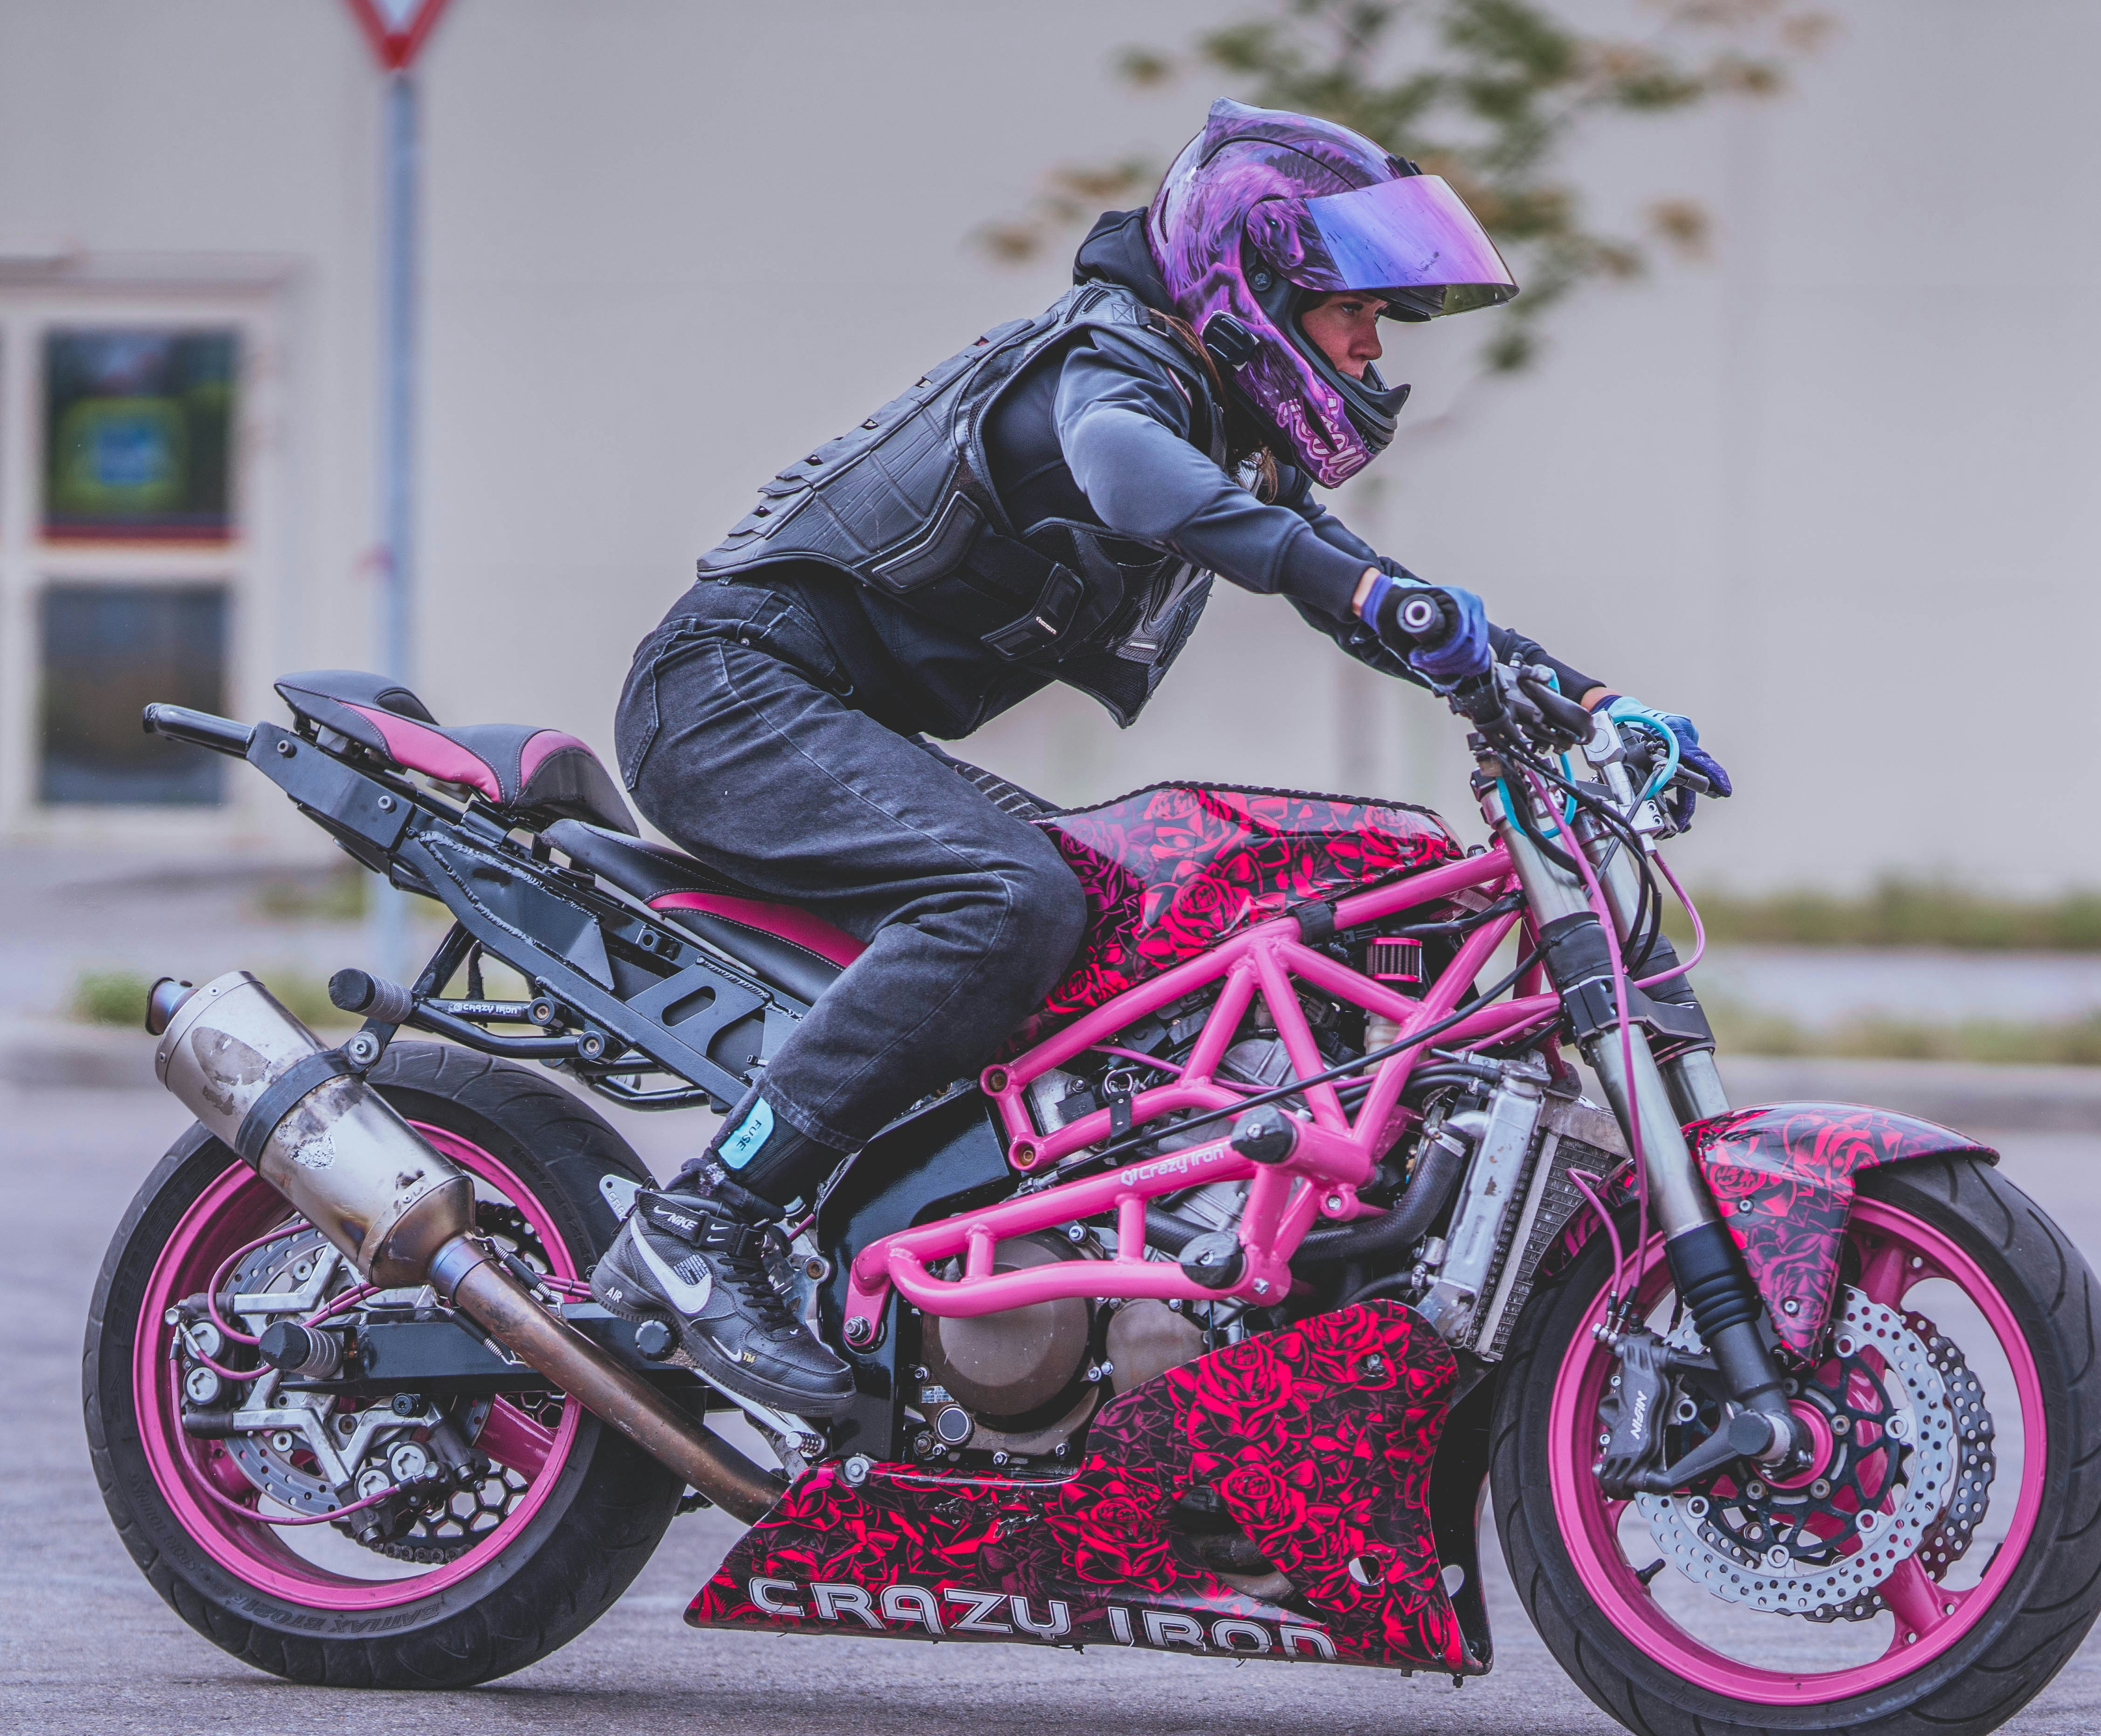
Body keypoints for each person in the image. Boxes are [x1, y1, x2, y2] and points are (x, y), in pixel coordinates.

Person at [591, 99, 1718, 1417]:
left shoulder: (1221, 425)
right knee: (1008, 900)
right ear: (1257, 286)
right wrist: (1378, 601)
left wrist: (1588, 699)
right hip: (729, 695)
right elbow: (1131, 475)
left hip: (818, 717)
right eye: (1355, 310)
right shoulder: (1113, 364)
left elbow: (1358, 581)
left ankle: (982, 1287)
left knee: (1135, 923)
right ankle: (699, 1224)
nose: (1372, 347)